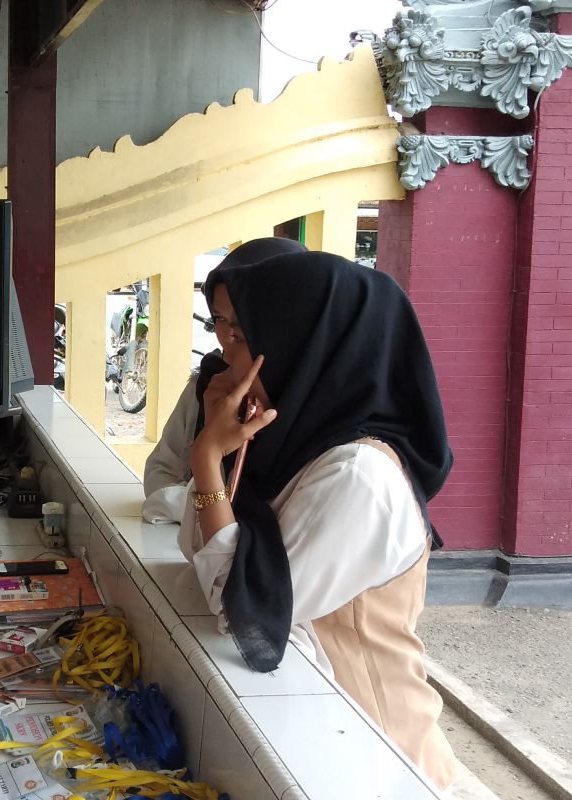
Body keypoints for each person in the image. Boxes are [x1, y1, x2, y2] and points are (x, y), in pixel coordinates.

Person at [179, 241, 458, 791]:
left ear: (304, 338)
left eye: (244, 333)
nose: (226, 355)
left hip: (371, 755)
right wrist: (217, 450)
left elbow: (242, 613)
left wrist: (208, 459)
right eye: (221, 329)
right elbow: (199, 548)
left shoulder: (359, 476)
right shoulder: (289, 442)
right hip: (303, 740)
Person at [141, 238, 308, 524]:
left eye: (242, 320)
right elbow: (158, 474)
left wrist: (202, 503)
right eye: (219, 318)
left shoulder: (311, 407)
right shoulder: (209, 384)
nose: (227, 335)